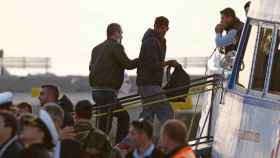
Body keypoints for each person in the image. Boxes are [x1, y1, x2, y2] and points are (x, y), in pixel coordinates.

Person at [89, 23, 138, 144]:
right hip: (108, 92)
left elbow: (91, 67)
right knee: (117, 120)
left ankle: (102, 147)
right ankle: (116, 149)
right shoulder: (116, 47)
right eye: (121, 33)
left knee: (104, 121)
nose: (122, 36)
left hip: (95, 91)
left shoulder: (96, 48)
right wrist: (142, 59)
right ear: (115, 33)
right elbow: (128, 64)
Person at [136, 16, 177, 124]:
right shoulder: (151, 42)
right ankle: (170, 139)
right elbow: (152, 65)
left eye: (165, 29)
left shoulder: (157, 41)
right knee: (167, 113)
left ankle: (141, 139)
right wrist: (169, 63)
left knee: (147, 117)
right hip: (150, 85)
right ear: (155, 27)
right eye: (161, 28)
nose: (163, 31)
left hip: (146, 85)